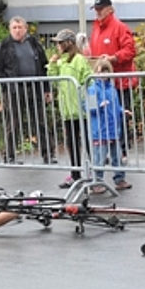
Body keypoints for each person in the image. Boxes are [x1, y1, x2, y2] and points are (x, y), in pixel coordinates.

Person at [0, 16, 55, 164]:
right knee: (12, 123)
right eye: (14, 28)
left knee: (40, 121)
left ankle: (48, 153)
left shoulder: (34, 44)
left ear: (26, 29)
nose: (17, 31)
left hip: (35, 87)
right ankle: (10, 155)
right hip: (14, 90)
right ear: (10, 29)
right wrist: (7, 85)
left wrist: (46, 89)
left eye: (20, 27)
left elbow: (44, 67)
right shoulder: (4, 46)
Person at [87, 0, 138, 160]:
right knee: (102, 115)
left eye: (100, 9)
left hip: (119, 82)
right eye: (96, 10)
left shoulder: (120, 27)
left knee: (119, 116)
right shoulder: (96, 29)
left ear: (110, 9)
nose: (97, 13)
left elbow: (130, 51)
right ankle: (106, 151)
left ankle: (121, 150)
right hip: (102, 82)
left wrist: (112, 58)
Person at [47, 29, 92, 189]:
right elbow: (53, 80)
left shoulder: (79, 59)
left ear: (68, 43)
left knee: (87, 142)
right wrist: (52, 64)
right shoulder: (61, 61)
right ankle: (75, 174)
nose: (58, 46)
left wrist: (88, 101)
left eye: (60, 42)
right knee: (72, 143)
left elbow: (88, 79)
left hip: (81, 109)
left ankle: (93, 174)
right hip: (67, 110)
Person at [86, 59, 131, 194]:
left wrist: (122, 111)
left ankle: (119, 179)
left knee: (117, 156)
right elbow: (89, 108)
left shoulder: (112, 89)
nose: (104, 75)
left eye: (106, 71)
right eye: (101, 72)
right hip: (100, 130)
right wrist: (99, 106)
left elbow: (116, 107)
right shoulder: (92, 89)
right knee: (99, 158)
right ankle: (96, 181)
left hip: (113, 130)